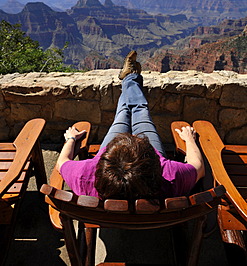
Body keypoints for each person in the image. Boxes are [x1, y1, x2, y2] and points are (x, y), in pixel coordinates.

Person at [57, 51, 205, 200]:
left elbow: (61, 163)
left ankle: (129, 78)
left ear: (103, 160)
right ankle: (131, 77)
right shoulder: (170, 176)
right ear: (155, 164)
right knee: (139, 109)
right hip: (155, 219)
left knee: (123, 113)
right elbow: (198, 166)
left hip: (106, 214)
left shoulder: (85, 176)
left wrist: (71, 139)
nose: (134, 136)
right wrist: (189, 139)